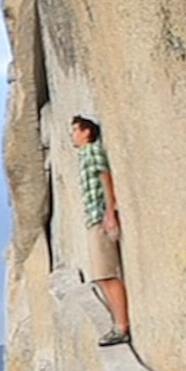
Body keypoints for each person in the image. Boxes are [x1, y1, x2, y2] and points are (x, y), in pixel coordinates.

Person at [70, 115, 131, 346]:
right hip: (93, 219)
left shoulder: (93, 151)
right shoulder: (84, 156)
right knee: (100, 277)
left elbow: (105, 179)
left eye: (75, 130)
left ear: (86, 132)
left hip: (100, 218)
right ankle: (117, 324)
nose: (72, 135)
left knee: (107, 274)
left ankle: (121, 326)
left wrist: (110, 213)